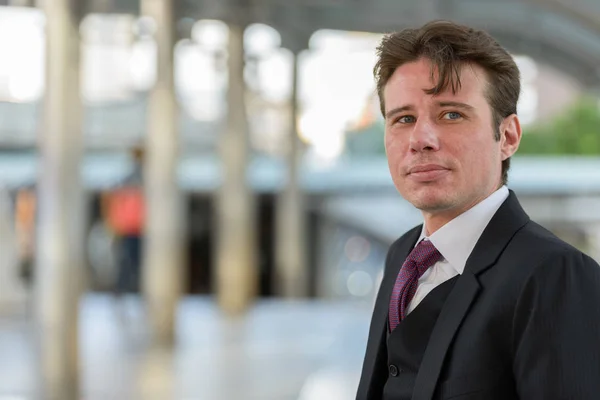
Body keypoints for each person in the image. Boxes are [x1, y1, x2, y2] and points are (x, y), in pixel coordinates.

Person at [356, 20, 600, 400]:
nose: (421, 139)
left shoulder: (557, 275)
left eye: (451, 114)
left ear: (508, 136)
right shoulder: (402, 255)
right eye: (404, 118)